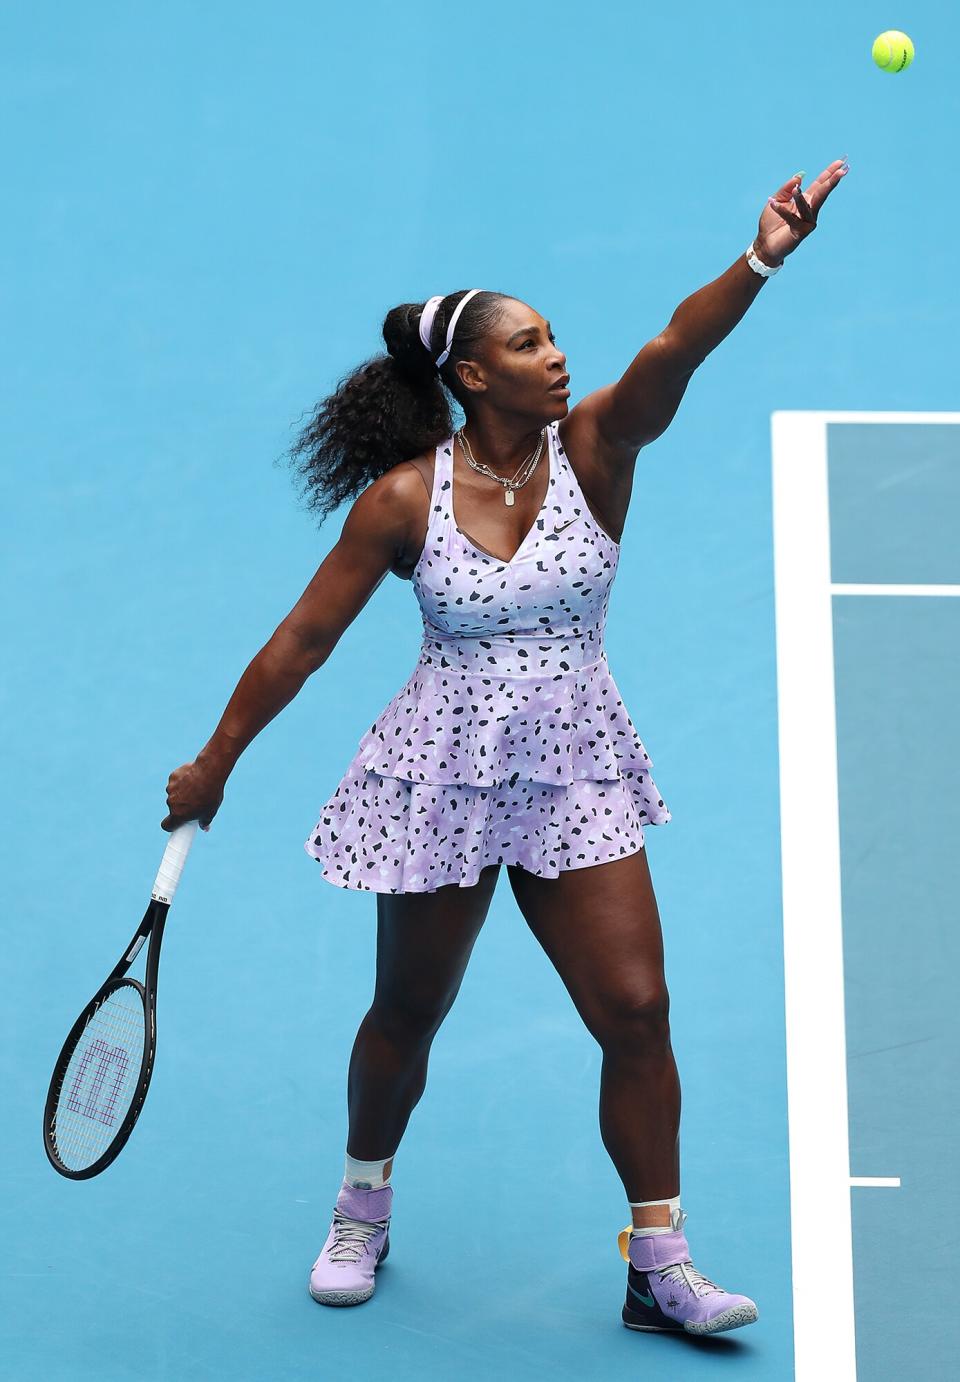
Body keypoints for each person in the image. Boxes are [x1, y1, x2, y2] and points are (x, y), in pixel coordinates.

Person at [162, 160, 848, 1334]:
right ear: (473, 374)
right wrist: (217, 758)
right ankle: (361, 1201)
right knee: (407, 1014)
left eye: (553, 337)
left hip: (577, 766)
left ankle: (659, 1259)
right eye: (529, 344)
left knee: (638, 1008)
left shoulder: (596, 450)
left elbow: (675, 349)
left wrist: (764, 253)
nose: (557, 355)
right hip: (442, 773)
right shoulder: (401, 500)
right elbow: (302, 640)